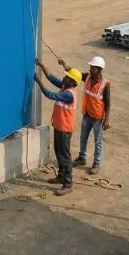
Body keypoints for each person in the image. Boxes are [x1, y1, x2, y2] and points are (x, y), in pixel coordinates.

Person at [34, 58, 81, 196]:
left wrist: (38, 81)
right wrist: (42, 65)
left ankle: (68, 184)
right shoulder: (65, 86)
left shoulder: (69, 94)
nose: (64, 78)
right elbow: (52, 78)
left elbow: (49, 94)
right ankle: (61, 176)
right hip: (60, 126)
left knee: (64, 155)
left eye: (67, 77)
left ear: (73, 82)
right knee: (58, 152)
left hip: (65, 129)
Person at [60, 55, 110, 175]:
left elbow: (108, 103)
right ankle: (82, 158)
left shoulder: (105, 84)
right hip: (87, 114)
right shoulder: (87, 77)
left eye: (93, 68)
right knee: (83, 137)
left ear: (99, 70)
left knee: (98, 141)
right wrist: (65, 65)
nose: (90, 69)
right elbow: (75, 74)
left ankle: (96, 163)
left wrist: (106, 120)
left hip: (98, 118)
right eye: (90, 67)